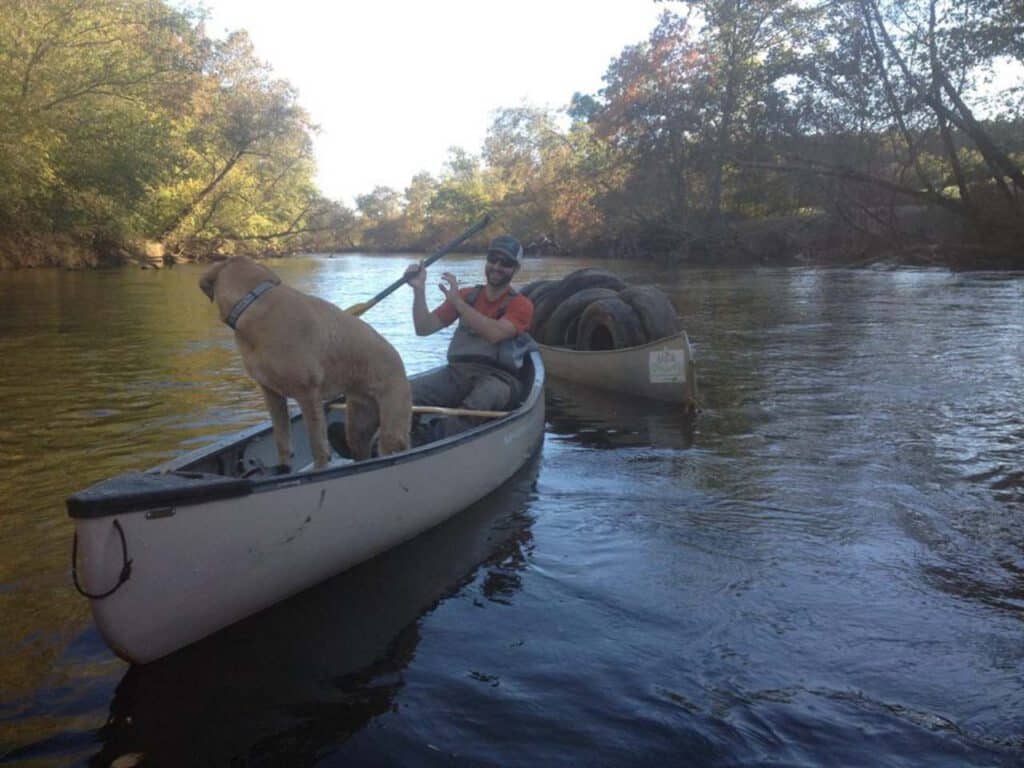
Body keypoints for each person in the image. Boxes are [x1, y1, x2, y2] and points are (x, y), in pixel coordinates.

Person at [404, 234, 535, 439]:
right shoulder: (466, 296)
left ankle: (429, 440)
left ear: (516, 269)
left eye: (506, 263)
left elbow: (495, 334)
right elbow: (423, 327)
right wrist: (418, 290)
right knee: (404, 392)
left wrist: (458, 304)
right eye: (493, 259)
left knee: (484, 398)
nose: (497, 267)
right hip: (456, 373)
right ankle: (393, 435)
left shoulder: (521, 305)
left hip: (499, 379)